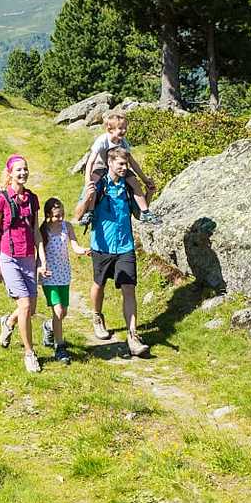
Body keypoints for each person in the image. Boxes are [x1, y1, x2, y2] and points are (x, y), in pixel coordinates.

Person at [77, 147, 147, 356]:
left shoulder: (128, 186)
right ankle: (97, 316)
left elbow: (139, 214)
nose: (125, 168)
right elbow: (78, 214)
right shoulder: (97, 184)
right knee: (99, 285)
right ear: (110, 163)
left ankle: (133, 336)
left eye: (126, 164)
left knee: (129, 288)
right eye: (121, 164)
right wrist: (87, 198)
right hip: (102, 246)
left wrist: (148, 194)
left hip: (125, 245)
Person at [0, 154, 49, 372]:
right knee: (24, 305)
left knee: (30, 310)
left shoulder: (32, 199)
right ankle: (29, 353)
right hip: (9, 258)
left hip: (28, 259)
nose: (23, 173)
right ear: (10, 174)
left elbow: (36, 231)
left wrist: (41, 259)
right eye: (18, 170)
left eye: (25, 169)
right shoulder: (2, 200)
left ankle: (9, 322)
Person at [71, 110, 156, 221]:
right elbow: (90, 162)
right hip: (101, 166)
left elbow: (132, 162)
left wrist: (144, 179)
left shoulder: (123, 142)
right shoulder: (102, 140)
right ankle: (89, 212)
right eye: (120, 128)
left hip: (119, 167)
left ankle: (145, 211)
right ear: (110, 129)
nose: (124, 131)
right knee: (94, 185)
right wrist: (88, 181)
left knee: (135, 183)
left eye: (125, 128)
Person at [36, 197, 88, 364]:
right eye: (57, 216)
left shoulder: (67, 227)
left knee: (63, 312)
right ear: (48, 215)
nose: (61, 218)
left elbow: (75, 246)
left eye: (63, 215)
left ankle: (48, 327)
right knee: (58, 311)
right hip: (49, 276)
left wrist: (84, 251)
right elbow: (39, 252)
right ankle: (60, 347)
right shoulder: (43, 230)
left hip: (64, 275)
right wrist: (40, 268)